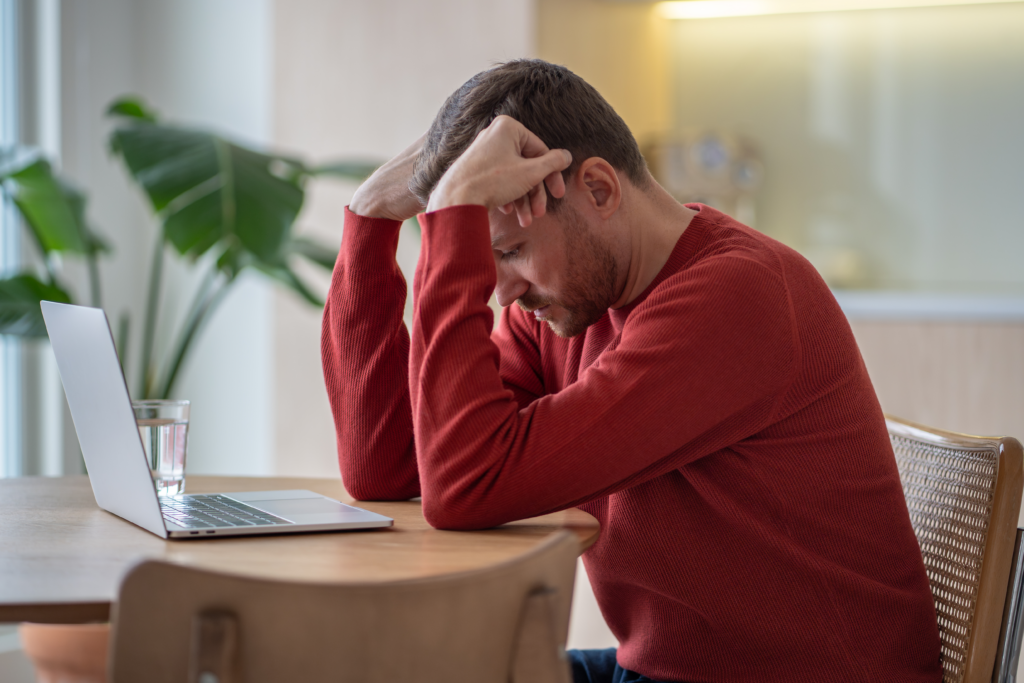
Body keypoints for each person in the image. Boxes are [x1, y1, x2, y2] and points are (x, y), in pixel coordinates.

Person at [320, 59, 942, 683]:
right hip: (665, 669)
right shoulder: (567, 304)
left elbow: (464, 488)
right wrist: (371, 219)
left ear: (597, 189)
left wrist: (452, 219)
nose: (503, 293)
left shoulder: (736, 296)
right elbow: (390, 468)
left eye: (509, 251)